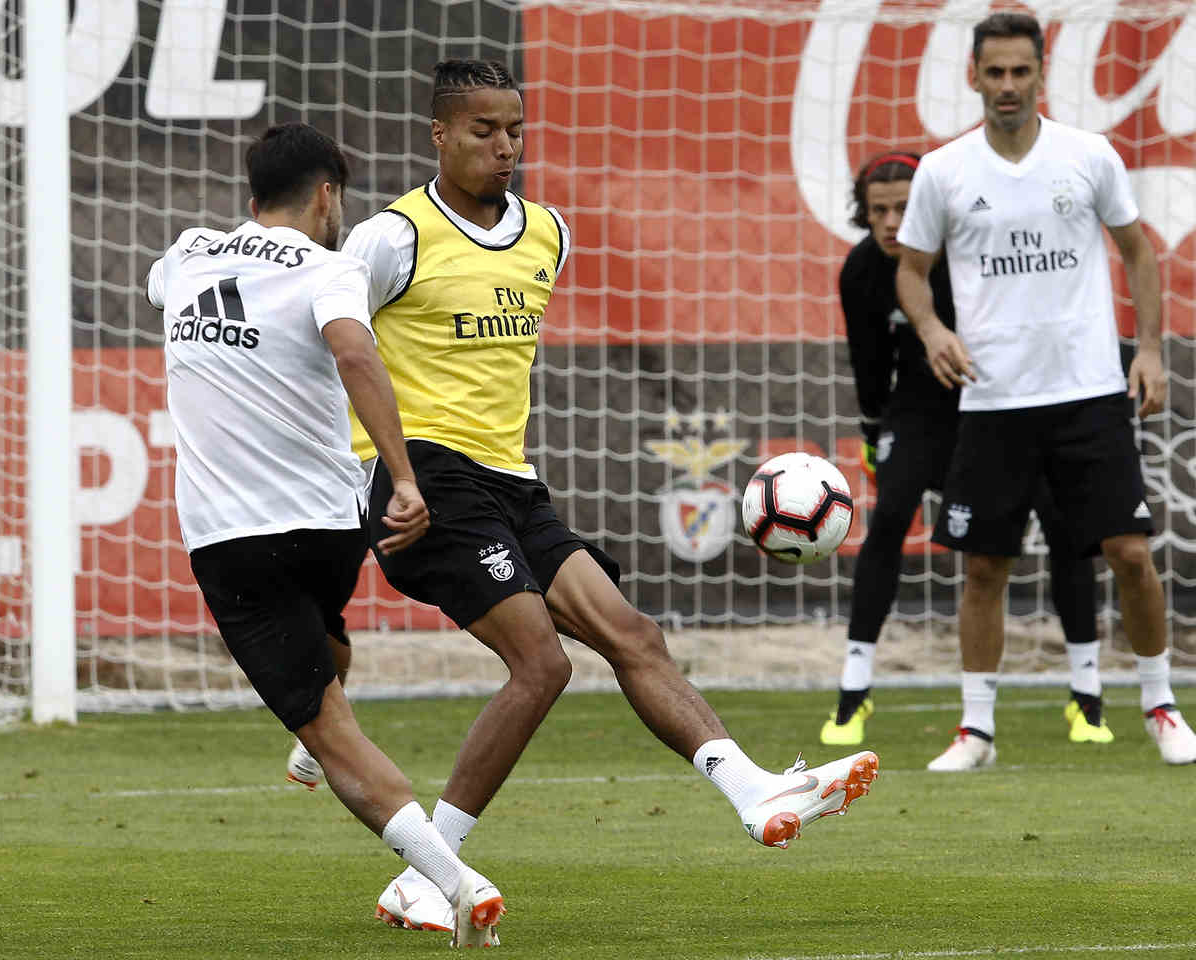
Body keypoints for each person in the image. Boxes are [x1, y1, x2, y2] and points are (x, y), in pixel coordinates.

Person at [317, 58, 880, 932]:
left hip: (509, 481)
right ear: (439, 134)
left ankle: (751, 791)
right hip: (422, 480)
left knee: (632, 633)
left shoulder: (548, 233)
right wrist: (383, 475)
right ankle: (432, 872)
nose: (504, 147)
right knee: (541, 663)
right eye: (482, 131)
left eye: (514, 129)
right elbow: (338, 347)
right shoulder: (392, 238)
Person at [147, 121, 507, 947]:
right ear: (325, 194)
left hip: (235, 540)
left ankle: (454, 882)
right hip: (331, 529)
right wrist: (403, 479)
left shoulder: (187, 254)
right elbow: (355, 354)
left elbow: (160, 288)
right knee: (325, 640)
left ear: (252, 196)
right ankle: (311, 746)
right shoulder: (327, 268)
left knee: (329, 728)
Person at [895, 13, 1196, 769]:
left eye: (1021, 72)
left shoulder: (1088, 156)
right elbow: (911, 270)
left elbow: (1139, 253)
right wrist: (931, 330)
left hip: (1088, 393)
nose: (1008, 86)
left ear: (1040, 75)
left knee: (1130, 553)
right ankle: (976, 731)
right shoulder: (944, 171)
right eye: (994, 72)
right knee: (984, 568)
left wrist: (1149, 349)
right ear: (972, 76)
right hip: (993, 399)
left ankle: (1161, 706)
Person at [824, 151, 1109, 747]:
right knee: (890, 516)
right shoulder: (860, 271)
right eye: (879, 210)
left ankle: (1087, 696)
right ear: (863, 213)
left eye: (903, 208)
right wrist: (874, 433)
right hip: (919, 411)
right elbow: (869, 364)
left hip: (998, 401)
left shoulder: (966, 252)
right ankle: (853, 692)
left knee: (1063, 525)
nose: (891, 222)